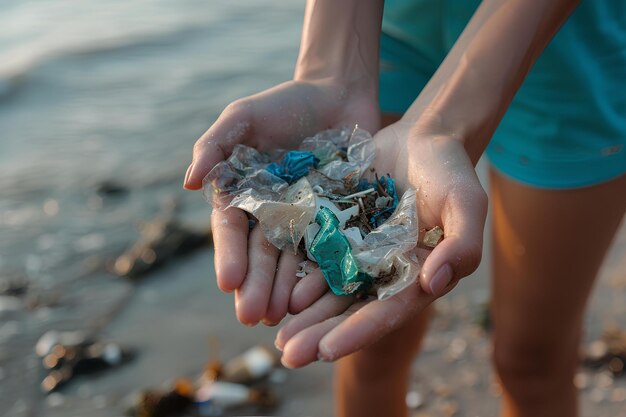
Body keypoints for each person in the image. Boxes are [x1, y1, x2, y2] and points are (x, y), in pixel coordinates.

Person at [184, 1, 626, 416]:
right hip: (389, 23)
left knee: (530, 359)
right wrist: (329, 69)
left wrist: (443, 125)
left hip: (570, 44)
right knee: (373, 348)